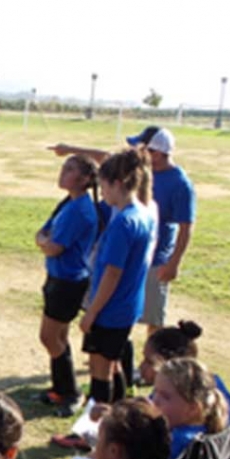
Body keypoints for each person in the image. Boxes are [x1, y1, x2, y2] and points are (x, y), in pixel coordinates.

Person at [79, 149, 156, 404]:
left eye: (104, 185)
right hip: (128, 305)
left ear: (118, 183)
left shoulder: (124, 222)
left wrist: (92, 312)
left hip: (110, 308)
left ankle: (97, 431)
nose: (101, 191)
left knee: (100, 370)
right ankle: (122, 417)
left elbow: (112, 273)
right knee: (114, 364)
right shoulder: (143, 213)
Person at [35, 155, 100, 416]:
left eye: (70, 169)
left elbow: (52, 246)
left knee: (50, 337)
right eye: (64, 167)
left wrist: (43, 242)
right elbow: (44, 233)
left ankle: (70, 392)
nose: (63, 172)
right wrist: (43, 240)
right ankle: (60, 388)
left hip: (67, 282)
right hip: (60, 279)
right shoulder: (69, 203)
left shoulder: (80, 210)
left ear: (85, 179)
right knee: (57, 337)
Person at [133, 128, 196, 338]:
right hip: (133, 253)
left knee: (153, 317)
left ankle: (152, 361)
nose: (137, 152)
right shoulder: (142, 171)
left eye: (143, 149)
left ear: (157, 153)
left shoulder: (180, 184)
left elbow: (186, 227)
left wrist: (173, 263)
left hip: (157, 259)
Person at [152, 357, 228, 459]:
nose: (155, 400)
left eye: (165, 396)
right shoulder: (206, 432)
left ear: (193, 409)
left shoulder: (176, 442)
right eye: (155, 391)